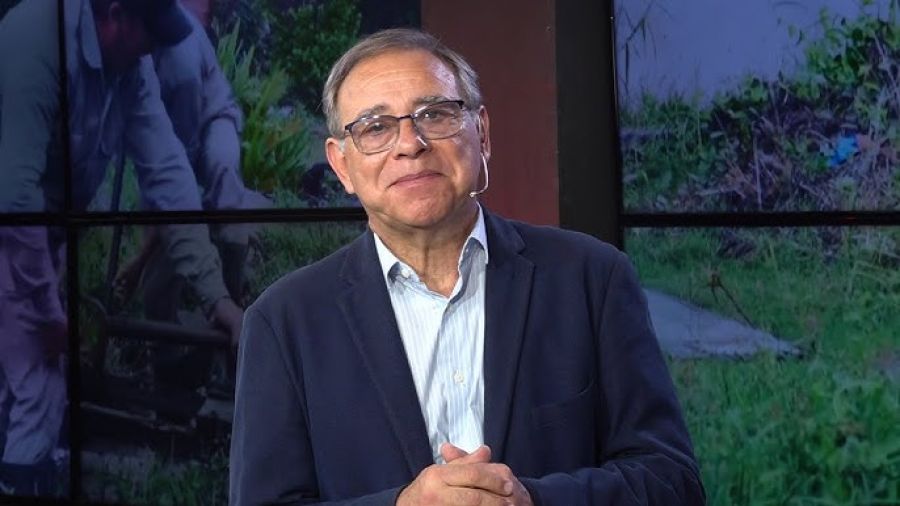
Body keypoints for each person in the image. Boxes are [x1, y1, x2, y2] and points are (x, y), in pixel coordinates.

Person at [229, 28, 705, 505]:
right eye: (375, 128)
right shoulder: (284, 321)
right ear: (341, 166)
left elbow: (672, 483)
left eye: (434, 114)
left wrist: (531, 500)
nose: (410, 144)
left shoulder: (592, 278)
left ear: (483, 134)